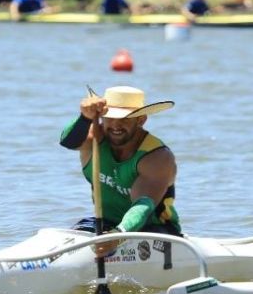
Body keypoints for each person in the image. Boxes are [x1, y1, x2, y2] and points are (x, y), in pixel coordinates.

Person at [59, 86, 181, 255]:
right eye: (110, 117)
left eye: (125, 119)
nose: (116, 125)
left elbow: (143, 205)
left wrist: (118, 235)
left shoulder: (157, 156)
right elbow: (68, 142)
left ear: (141, 120)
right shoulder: (93, 139)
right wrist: (85, 118)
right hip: (105, 223)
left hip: (154, 228)